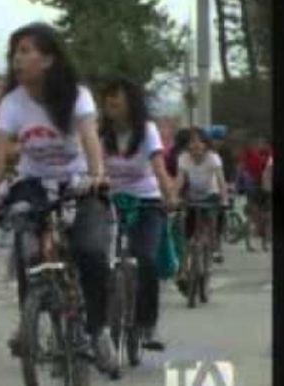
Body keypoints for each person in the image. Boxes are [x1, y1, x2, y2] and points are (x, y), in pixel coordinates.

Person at [0, 22, 116, 374]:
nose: (17, 60)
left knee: (90, 251)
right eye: (14, 53)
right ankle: (31, 318)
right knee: (26, 242)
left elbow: (89, 138)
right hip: (33, 182)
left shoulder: (76, 95)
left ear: (49, 59)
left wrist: (97, 175)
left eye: (25, 51)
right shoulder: (11, 103)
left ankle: (98, 330)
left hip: (80, 181)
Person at [99, 77, 179, 351]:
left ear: (131, 103)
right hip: (110, 202)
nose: (110, 105)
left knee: (146, 258)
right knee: (99, 260)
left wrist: (169, 196)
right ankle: (98, 323)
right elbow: (93, 167)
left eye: (116, 99)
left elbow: (159, 167)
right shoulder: (100, 133)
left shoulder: (146, 130)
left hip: (146, 202)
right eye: (107, 100)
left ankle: (147, 324)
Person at [175, 128, 229, 280]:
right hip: (192, 196)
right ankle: (184, 271)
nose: (195, 145)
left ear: (205, 144)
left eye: (199, 141)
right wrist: (173, 197)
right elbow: (179, 180)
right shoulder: (183, 158)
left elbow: (220, 180)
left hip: (211, 195)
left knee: (212, 218)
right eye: (192, 142)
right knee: (187, 235)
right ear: (187, 145)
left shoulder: (213, 158)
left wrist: (224, 199)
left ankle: (215, 247)